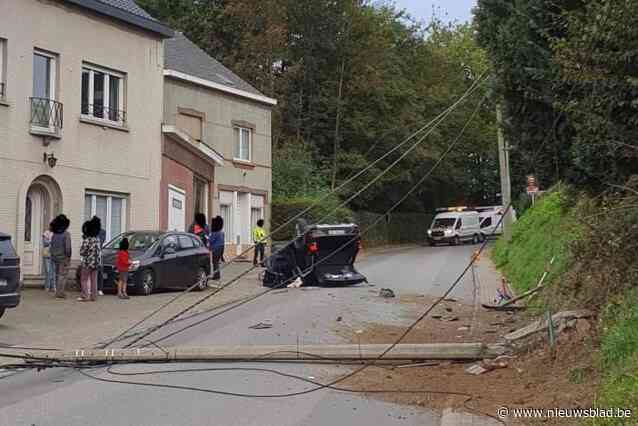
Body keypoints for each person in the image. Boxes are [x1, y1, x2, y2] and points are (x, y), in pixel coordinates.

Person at [78, 217, 100, 302]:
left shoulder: (87, 240)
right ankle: (94, 297)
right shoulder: (97, 240)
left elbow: (82, 252)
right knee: (94, 280)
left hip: (87, 262)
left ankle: (85, 296)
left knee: (83, 279)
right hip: (96, 263)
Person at [50, 214, 72, 299]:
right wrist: (68, 257)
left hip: (55, 257)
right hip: (63, 258)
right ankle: (60, 293)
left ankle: (57, 292)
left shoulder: (54, 234)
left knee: (57, 275)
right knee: (62, 275)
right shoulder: (66, 234)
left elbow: (52, 246)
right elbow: (68, 247)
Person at [209, 216, 225, 281]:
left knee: (214, 262)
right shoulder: (221, 232)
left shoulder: (214, 233)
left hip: (216, 248)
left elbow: (211, 240)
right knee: (217, 262)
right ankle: (217, 275)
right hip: (221, 248)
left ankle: (216, 276)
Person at [94, 216, 106, 296]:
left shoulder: (102, 231)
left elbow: (101, 241)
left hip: (99, 253)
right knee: (92, 271)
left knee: (100, 271)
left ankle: (100, 289)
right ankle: (92, 289)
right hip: (91, 254)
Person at [42, 224, 56, 292]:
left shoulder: (56, 233)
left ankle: (53, 287)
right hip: (47, 254)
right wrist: (51, 241)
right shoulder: (46, 233)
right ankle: (47, 286)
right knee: (48, 271)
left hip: (54, 254)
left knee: (53, 271)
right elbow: (45, 243)